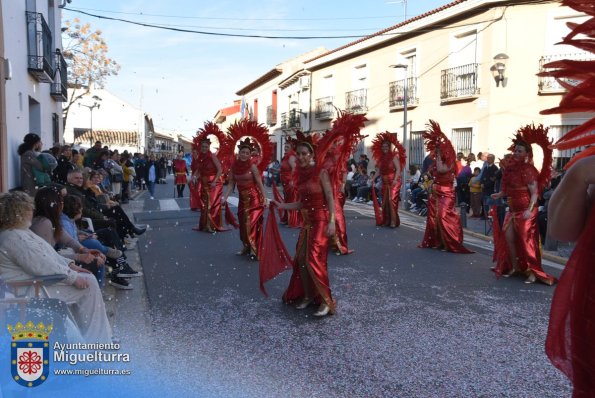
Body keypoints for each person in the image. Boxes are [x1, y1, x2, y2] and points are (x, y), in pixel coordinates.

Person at [0, 191, 112, 342]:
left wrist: (71, 265)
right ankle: (98, 341)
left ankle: (92, 338)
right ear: (19, 212)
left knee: (87, 279)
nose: (32, 211)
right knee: (89, 285)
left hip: (34, 285)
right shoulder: (14, 237)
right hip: (27, 290)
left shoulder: (20, 233)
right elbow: (40, 265)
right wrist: (72, 277)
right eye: (28, 208)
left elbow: (48, 255)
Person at [272, 139, 337, 317]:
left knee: (314, 259)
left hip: (321, 220)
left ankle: (325, 301)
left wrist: (332, 221)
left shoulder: (321, 172)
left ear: (311, 154)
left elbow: (330, 198)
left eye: (304, 153)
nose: (300, 157)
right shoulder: (300, 174)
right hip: (307, 222)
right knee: (300, 259)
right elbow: (302, 203)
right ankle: (308, 296)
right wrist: (282, 205)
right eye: (298, 154)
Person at [490, 126, 556, 285]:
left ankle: (533, 271)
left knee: (528, 242)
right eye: (516, 151)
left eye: (520, 151)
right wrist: (499, 194)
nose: (516, 153)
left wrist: (530, 209)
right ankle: (515, 267)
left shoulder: (529, 170)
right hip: (512, 210)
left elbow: (534, 192)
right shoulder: (511, 169)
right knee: (509, 238)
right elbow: (508, 189)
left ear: (527, 153)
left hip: (526, 210)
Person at [419, 121, 473, 254]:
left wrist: (437, 155)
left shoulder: (449, 163)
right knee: (434, 218)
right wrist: (428, 179)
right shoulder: (436, 163)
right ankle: (440, 242)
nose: (435, 153)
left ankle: (452, 241)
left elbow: (443, 170)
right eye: (436, 151)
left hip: (447, 193)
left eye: (438, 151)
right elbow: (431, 173)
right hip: (435, 193)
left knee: (444, 216)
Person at [222, 138, 268, 260]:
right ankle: (246, 246)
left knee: (251, 223)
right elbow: (231, 184)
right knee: (243, 224)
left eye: (247, 153)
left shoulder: (252, 167)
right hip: (242, 199)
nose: (245, 155)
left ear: (250, 155)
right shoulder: (234, 167)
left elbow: (259, 182)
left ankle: (254, 248)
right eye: (243, 152)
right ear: (239, 152)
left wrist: (265, 197)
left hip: (254, 198)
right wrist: (224, 197)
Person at [193, 123, 226, 233]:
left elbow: (220, 170)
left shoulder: (212, 156)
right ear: (200, 147)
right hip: (204, 183)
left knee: (211, 205)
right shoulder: (200, 158)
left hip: (214, 184)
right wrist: (194, 176)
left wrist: (215, 181)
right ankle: (205, 224)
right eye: (202, 147)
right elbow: (199, 170)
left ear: (209, 147)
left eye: (206, 147)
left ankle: (212, 225)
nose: (204, 148)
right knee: (204, 205)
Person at [371, 132, 405, 228]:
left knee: (392, 200)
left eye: (386, 146)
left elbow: (398, 169)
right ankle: (386, 220)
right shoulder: (381, 158)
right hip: (385, 182)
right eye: (383, 146)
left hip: (394, 181)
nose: (384, 148)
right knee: (385, 201)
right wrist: (373, 178)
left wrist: (395, 180)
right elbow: (378, 171)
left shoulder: (394, 156)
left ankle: (394, 221)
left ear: (389, 146)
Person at [279, 138, 302, 228]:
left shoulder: (291, 156)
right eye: (285, 146)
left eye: (287, 147)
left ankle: (293, 221)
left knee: (291, 200)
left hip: (290, 183)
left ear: (292, 148)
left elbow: (295, 169)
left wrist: (293, 180)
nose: (285, 148)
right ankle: (287, 219)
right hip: (285, 182)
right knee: (287, 199)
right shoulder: (286, 156)